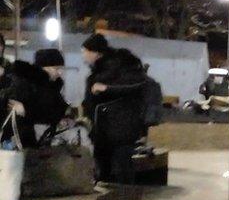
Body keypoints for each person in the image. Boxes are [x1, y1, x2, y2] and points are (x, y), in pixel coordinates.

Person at [82, 33, 147, 183]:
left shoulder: (119, 67)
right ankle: (112, 199)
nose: (83, 55)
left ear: (96, 52)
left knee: (121, 168)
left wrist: (106, 88)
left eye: (85, 51)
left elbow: (135, 87)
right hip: (104, 129)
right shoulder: (99, 71)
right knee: (106, 169)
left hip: (119, 128)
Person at [0, 49, 69, 147]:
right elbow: (11, 108)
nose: (60, 72)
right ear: (44, 68)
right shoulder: (23, 84)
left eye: (61, 69)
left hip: (39, 142)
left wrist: (63, 117)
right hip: (21, 142)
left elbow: (53, 111)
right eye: (56, 68)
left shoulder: (52, 87)